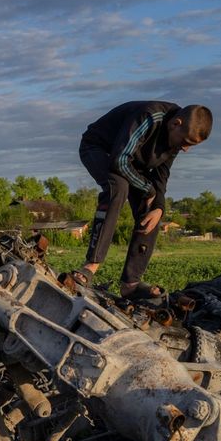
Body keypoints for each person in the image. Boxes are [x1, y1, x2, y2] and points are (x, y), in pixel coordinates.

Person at [73, 101, 212, 299]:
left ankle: (131, 283)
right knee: (118, 188)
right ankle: (90, 267)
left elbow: (161, 177)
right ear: (176, 124)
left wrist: (158, 207)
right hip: (100, 149)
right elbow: (119, 160)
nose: (186, 149)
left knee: (152, 213)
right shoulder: (149, 117)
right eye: (186, 142)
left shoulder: (176, 137)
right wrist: (148, 190)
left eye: (191, 145)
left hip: (130, 163)